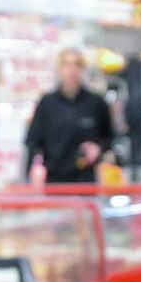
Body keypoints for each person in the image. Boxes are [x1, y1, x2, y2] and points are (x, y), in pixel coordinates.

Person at [22, 46, 117, 184]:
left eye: (77, 64)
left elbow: (110, 137)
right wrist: (34, 169)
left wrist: (98, 148)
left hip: (87, 182)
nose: (72, 70)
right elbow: (33, 140)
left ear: (83, 68)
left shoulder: (96, 102)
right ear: (59, 68)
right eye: (66, 64)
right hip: (54, 183)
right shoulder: (47, 103)